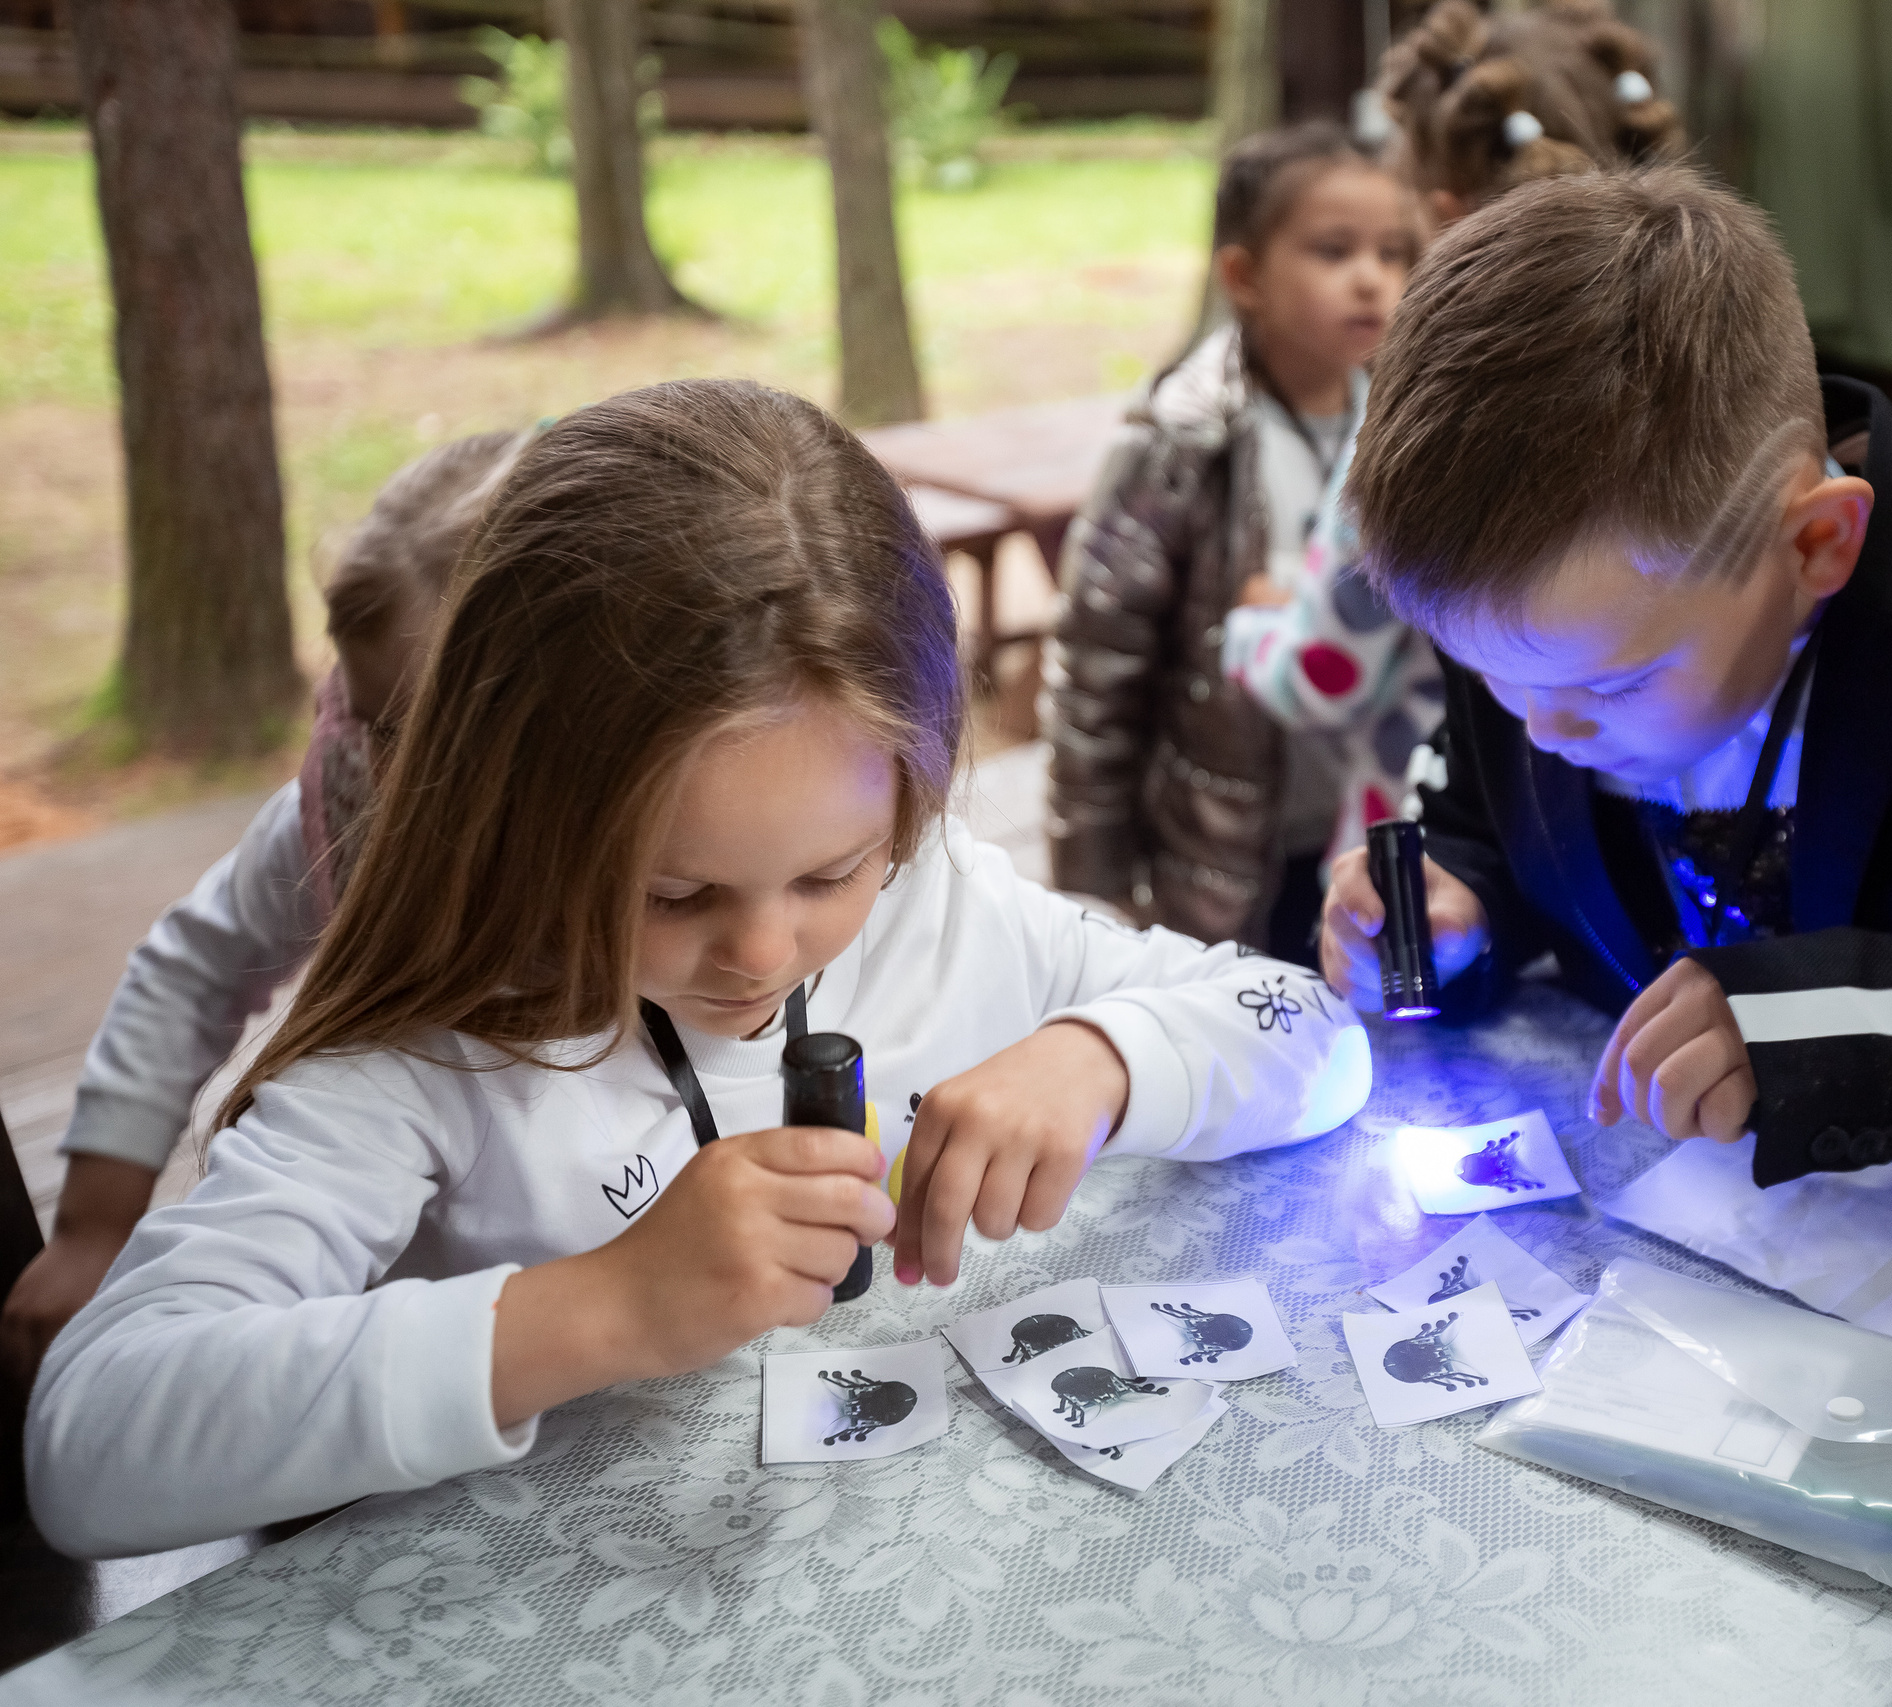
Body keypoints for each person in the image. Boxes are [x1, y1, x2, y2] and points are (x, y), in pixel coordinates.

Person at [28, 380, 1365, 1559]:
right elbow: (90, 1440)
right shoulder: (438, 1046)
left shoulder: (947, 897)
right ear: (517, 802)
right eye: (674, 892)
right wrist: (598, 1304)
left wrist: (1106, 1058)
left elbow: (1321, 1035)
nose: (764, 950)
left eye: (835, 870)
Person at [1324, 166, 1892, 1203]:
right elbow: (1483, 829)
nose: (1540, 728)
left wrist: (1818, 1027)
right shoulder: (1543, 619)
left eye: (1616, 686)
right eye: (1494, 678)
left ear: (1815, 544)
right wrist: (1455, 909)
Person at [0, 429, 532, 1392]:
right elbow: (193, 965)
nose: (388, 768)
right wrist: (89, 1230)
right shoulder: (342, 803)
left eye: (432, 730)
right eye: (371, 720)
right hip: (377, 1322)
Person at [1213, 0, 1688, 907]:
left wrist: (1249, 632)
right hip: (1631, 857)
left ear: (1443, 217)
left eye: (1397, 244)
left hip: (1440, 866)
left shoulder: (1422, 411)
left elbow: (1329, 673)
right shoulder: (1687, 370)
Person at [1044, 121, 1417, 962]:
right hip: (1221, 850)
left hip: (1361, 829)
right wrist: (1092, 871)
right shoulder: (1180, 439)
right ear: (1244, 275)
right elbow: (1099, 657)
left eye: (1394, 254)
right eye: (1334, 251)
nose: (1373, 280)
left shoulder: (1402, 424)